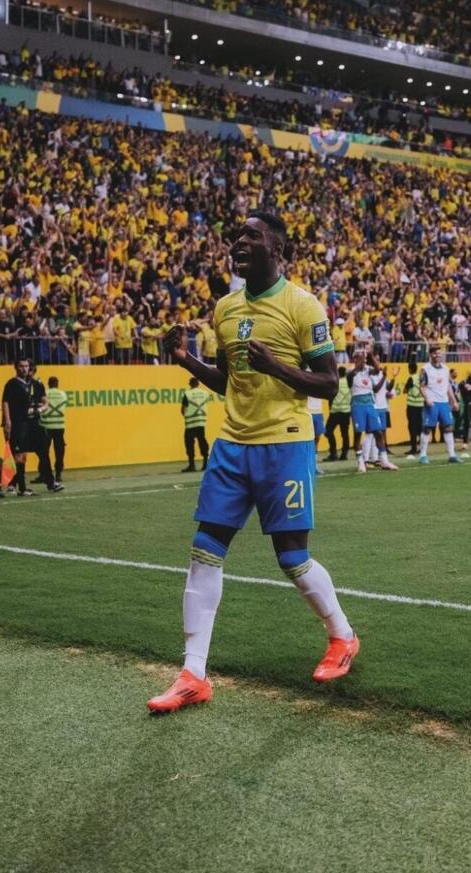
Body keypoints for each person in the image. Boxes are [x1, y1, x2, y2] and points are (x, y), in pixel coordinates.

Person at [147, 212, 358, 714]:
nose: (238, 242)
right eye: (236, 236)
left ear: (277, 248)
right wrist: (186, 360)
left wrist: (276, 366)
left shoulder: (303, 305)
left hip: (285, 444)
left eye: (251, 236)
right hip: (233, 443)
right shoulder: (224, 309)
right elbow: (228, 382)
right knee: (205, 550)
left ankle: (342, 636)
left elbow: (329, 383)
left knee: (292, 558)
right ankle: (193, 674)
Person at [0, 358, 63, 497]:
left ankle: (48, 482)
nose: (25, 369)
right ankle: (3, 484)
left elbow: (44, 402)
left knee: (41, 451)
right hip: (19, 423)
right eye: (22, 366)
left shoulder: (35, 384)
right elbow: (5, 402)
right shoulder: (12, 384)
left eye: (27, 367)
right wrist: (7, 421)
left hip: (33, 423)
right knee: (17, 456)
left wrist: (40, 409)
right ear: (16, 368)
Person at [418, 347, 462, 465]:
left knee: (448, 427)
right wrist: (427, 399)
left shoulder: (445, 369)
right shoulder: (425, 369)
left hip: (444, 402)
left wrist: (454, 401)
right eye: (435, 353)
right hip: (432, 402)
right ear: (430, 355)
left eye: (439, 353)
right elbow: (421, 386)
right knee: (427, 428)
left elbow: (448, 386)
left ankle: (452, 455)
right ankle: (422, 455)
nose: (437, 355)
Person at [348, 349, 380, 473]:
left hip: (369, 404)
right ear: (355, 358)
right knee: (358, 434)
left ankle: (381, 459)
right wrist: (361, 362)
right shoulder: (350, 371)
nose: (363, 360)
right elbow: (352, 375)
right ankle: (360, 461)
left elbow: (377, 369)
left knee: (376, 431)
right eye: (360, 357)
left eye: (363, 357)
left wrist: (371, 354)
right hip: (357, 405)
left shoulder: (368, 370)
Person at [368, 350, 398, 470]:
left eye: (379, 360)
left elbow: (388, 388)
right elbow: (375, 389)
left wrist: (393, 378)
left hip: (382, 407)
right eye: (376, 360)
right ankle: (368, 459)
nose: (378, 363)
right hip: (373, 407)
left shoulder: (381, 373)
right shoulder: (369, 374)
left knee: (379, 434)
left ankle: (377, 459)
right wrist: (384, 376)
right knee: (372, 434)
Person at [39, 375, 67, 482]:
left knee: (44, 451)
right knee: (59, 451)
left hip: (46, 425)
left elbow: (42, 406)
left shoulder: (45, 393)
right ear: (57, 384)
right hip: (60, 426)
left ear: (48, 384)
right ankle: (58, 473)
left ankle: (44, 474)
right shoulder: (63, 394)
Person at [181, 377, 210, 473]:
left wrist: (186, 415)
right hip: (201, 422)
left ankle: (192, 465)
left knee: (189, 443)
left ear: (190, 384)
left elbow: (183, 409)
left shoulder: (187, 394)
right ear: (198, 384)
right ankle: (205, 463)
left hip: (190, 423)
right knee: (202, 441)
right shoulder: (205, 393)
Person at [323, 365, 351, 462]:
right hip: (346, 412)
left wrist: (330, 407)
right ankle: (344, 454)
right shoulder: (348, 382)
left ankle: (333, 453)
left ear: (338, 373)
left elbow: (330, 395)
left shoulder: (335, 382)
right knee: (345, 434)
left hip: (335, 411)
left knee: (328, 431)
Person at [403, 360, 423, 457]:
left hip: (412, 406)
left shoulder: (411, 378)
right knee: (420, 428)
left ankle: (414, 448)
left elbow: (405, 390)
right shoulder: (420, 377)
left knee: (412, 427)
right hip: (421, 405)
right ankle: (422, 448)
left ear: (410, 369)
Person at [307, 395, 326, 474]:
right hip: (307, 411)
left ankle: (315, 465)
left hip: (318, 412)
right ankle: (308, 465)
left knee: (317, 439)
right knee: (307, 439)